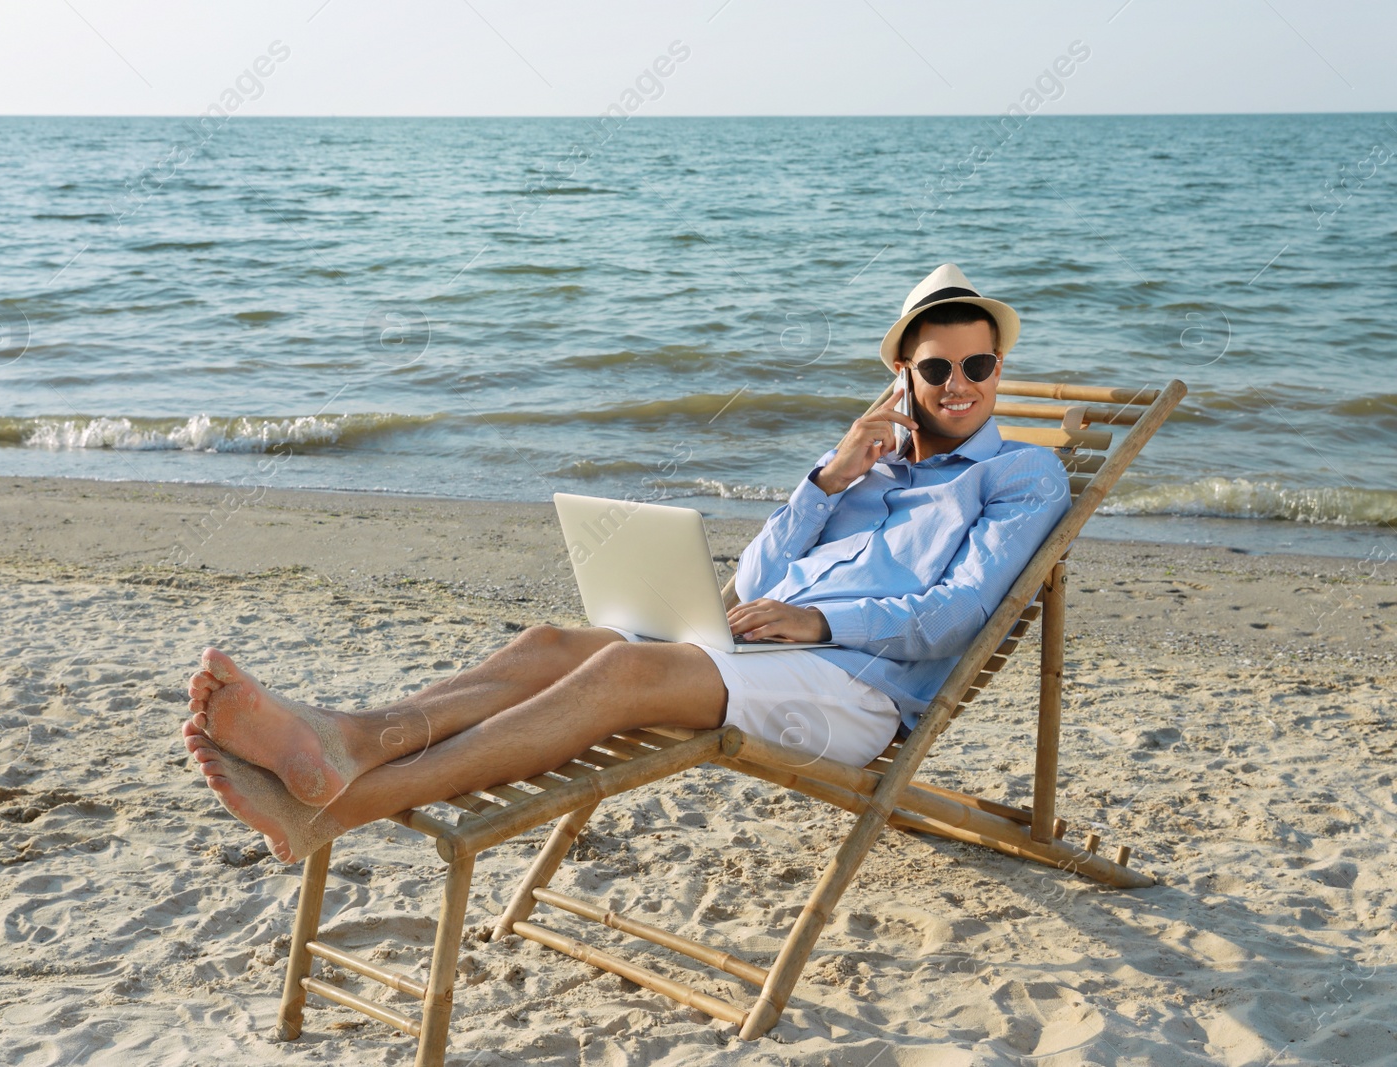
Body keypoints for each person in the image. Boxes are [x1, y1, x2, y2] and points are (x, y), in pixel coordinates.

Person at [182, 263, 1071, 861]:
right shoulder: (863, 467)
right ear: (903, 379)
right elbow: (759, 578)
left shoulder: (1022, 473)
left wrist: (822, 618)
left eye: (979, 364)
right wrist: (830, 477)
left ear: (1000, 370)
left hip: (859, 690)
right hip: (760, 654)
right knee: (550, 642)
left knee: (626, 667)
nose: (960, 383)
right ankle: (347, 740)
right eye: (937, 366)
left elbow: (958, 612)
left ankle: (336, 808)